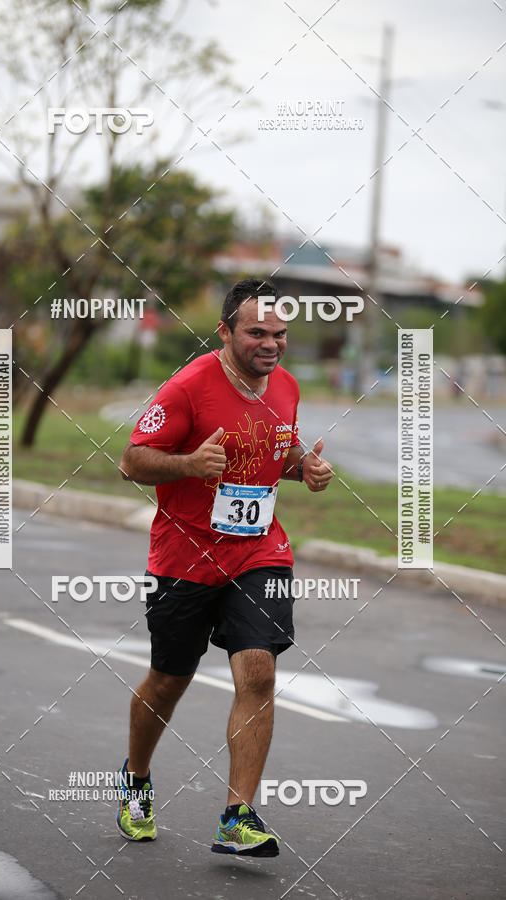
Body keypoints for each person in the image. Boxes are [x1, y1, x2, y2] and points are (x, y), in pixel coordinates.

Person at [117, 278, 334, 856]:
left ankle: (238, 817)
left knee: (259, 671)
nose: (270, 344)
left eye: (280, 333)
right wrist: (189, 462)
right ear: (225, 332)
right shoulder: (188, 386)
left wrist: (302, 468)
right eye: (256, 332)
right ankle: (136, 779)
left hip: (259, 552)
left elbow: (274, 449)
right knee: (169, 679)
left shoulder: (285, 386)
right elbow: (131, 461)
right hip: (185, 557)